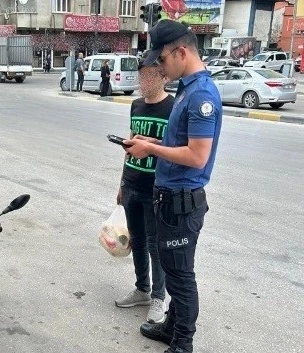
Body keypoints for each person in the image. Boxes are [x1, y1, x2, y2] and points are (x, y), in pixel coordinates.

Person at [123, 20, 222, 353]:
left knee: (180, 278)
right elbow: (178, 140)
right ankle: (170, 327)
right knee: (170, 266)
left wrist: (151, 149)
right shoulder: (187, 89)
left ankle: (183, 343)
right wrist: (152, 140)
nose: (160, 68)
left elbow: (196, 155)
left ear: (180, 52)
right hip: (168, 198)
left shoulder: (202, 94)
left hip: (182, 201)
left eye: (162, 60)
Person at [115, 50, 173, 324]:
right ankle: (142, 289)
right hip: (132, 183)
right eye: (141, 75)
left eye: (149, 75)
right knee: (137, 240)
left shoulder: (173, 107)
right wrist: (121, 183)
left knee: (154, 244)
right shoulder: (136, 105)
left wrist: (148, 143)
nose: (143, 81)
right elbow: (129, 145)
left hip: (156, 187)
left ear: (163, 77)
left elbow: (178, 149)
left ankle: (159, 298)